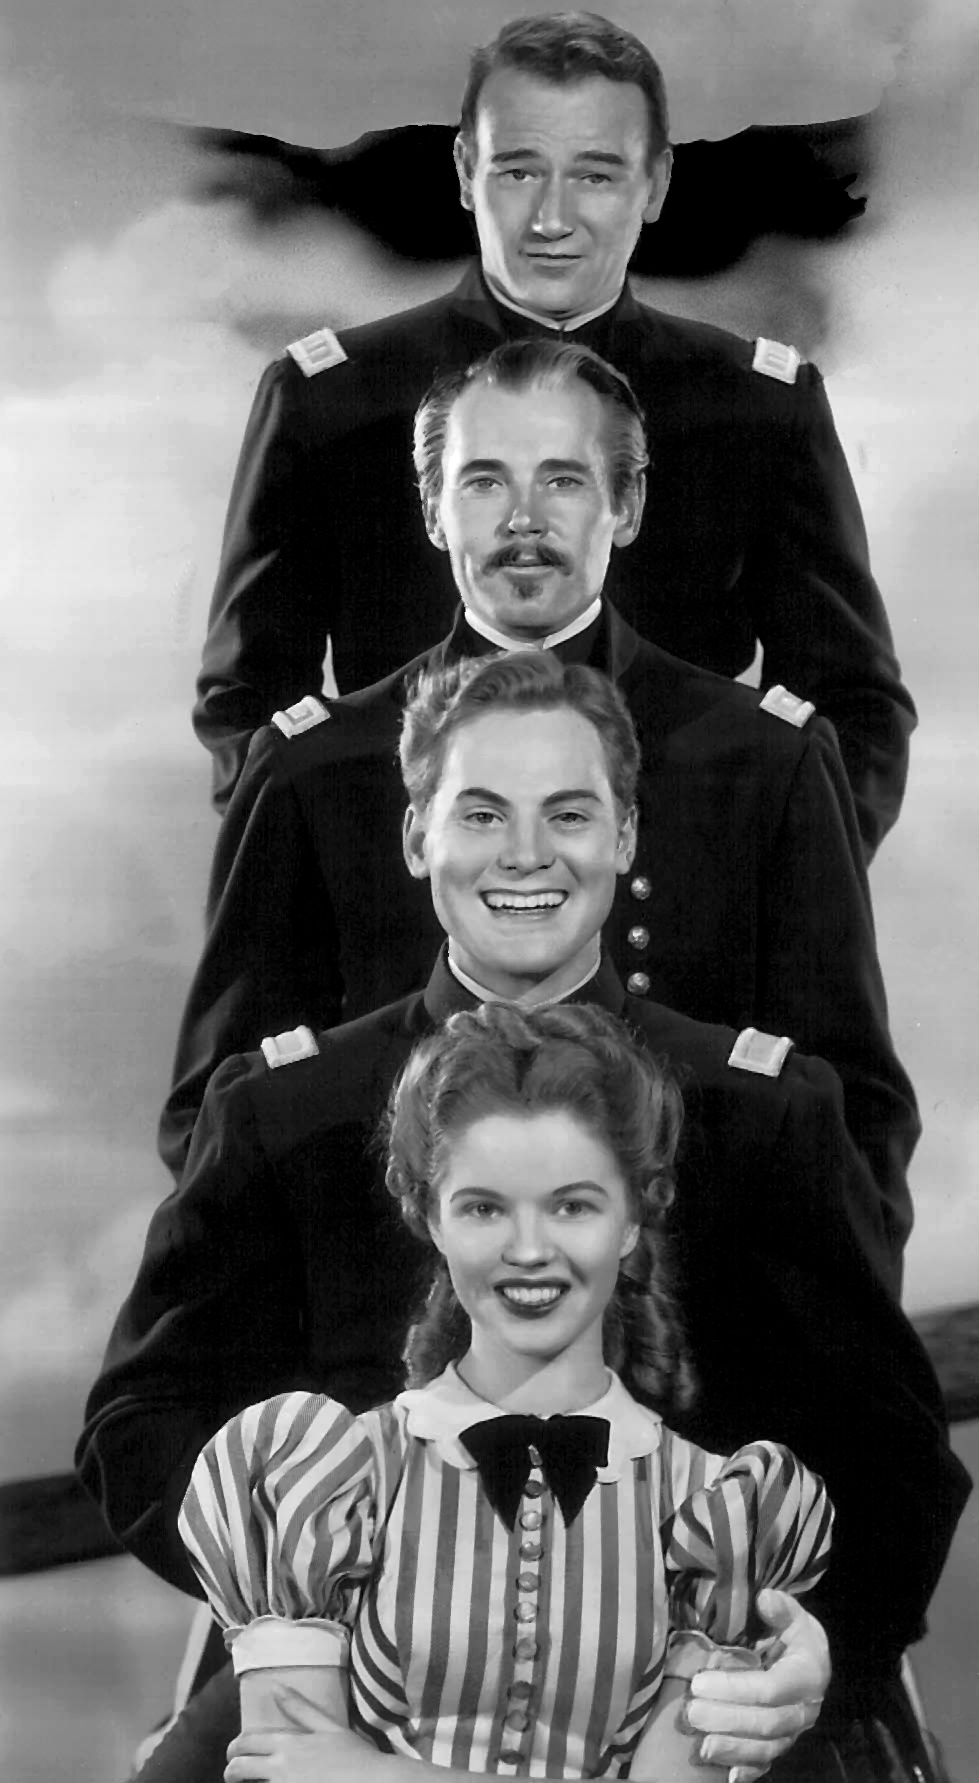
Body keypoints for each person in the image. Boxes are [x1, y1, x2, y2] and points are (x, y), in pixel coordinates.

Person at [79, 654, 969, 1779]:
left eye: (569, 814)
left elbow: (892, 1457)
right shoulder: (284, 1112)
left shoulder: (763, 1113)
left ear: (626, 837)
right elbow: (141, 1418)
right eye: (483, 813)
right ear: (416, 836)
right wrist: (303, 1592)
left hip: (704, 1686)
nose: (526, 854)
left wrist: (810, 1647)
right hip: (345, 1673)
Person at [162, 339, 917, 1279]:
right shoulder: (313, 769)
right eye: (484, 482)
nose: (523, 520)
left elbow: (856, 1113)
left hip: (697, 1306)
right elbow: (220, 1120)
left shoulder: (766, 760)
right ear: (432, 510)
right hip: (391, 1307)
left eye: (562, 479)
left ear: (625, 506)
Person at [194, 11, 914, 859]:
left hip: (683, 903)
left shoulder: (754, 409)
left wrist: (764, 890)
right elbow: (247, 708)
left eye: (596, 175)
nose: (551, 219)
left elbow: (854, 704)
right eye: (518, 170)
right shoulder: (331, 402)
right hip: (414, 897)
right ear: (465, 173)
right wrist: (367, 886)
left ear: (655, 184)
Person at [179, 1001, 834, 1783]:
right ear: (427, 1214)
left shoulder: (720, 1510)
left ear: (633, 1218)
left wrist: (378, 1773)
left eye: (572, 1205)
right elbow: (290, 1773)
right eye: (484, 1207)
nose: (528, 1249)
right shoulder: (316, 1475)